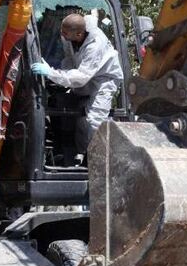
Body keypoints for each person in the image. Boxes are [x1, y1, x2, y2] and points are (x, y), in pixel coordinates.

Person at [31, 13, 124, 163]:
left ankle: (99, 161)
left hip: (104, 79)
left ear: (79, 34)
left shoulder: (95, 45)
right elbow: (69, 58)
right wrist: (61, 78)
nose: (62, 35)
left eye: (65, 33)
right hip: (85, 75)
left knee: (93, 121)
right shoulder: (69, 33)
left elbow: (81, 77)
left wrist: (52, 73)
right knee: (75, 114)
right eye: (62, 31)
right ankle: (77, 153)